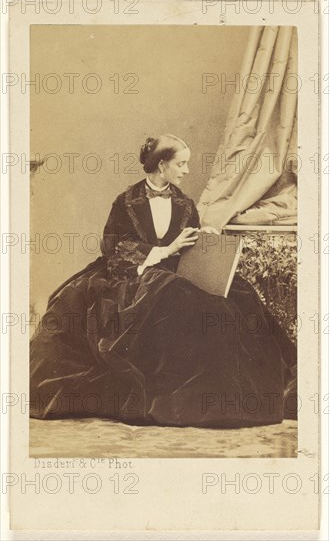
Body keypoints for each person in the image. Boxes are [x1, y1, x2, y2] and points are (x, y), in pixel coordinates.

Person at [30, 134, 297, 427]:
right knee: (164, 294)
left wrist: (204, 237)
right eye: (180, 164)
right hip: (133, 274)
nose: (185, 170)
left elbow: (190, 244)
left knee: (235, 300)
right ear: (161, 165)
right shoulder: (126, 201)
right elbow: (115, 248)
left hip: (176, 272)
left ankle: (220, 399)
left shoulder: (185, 203)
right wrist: (164, 251)